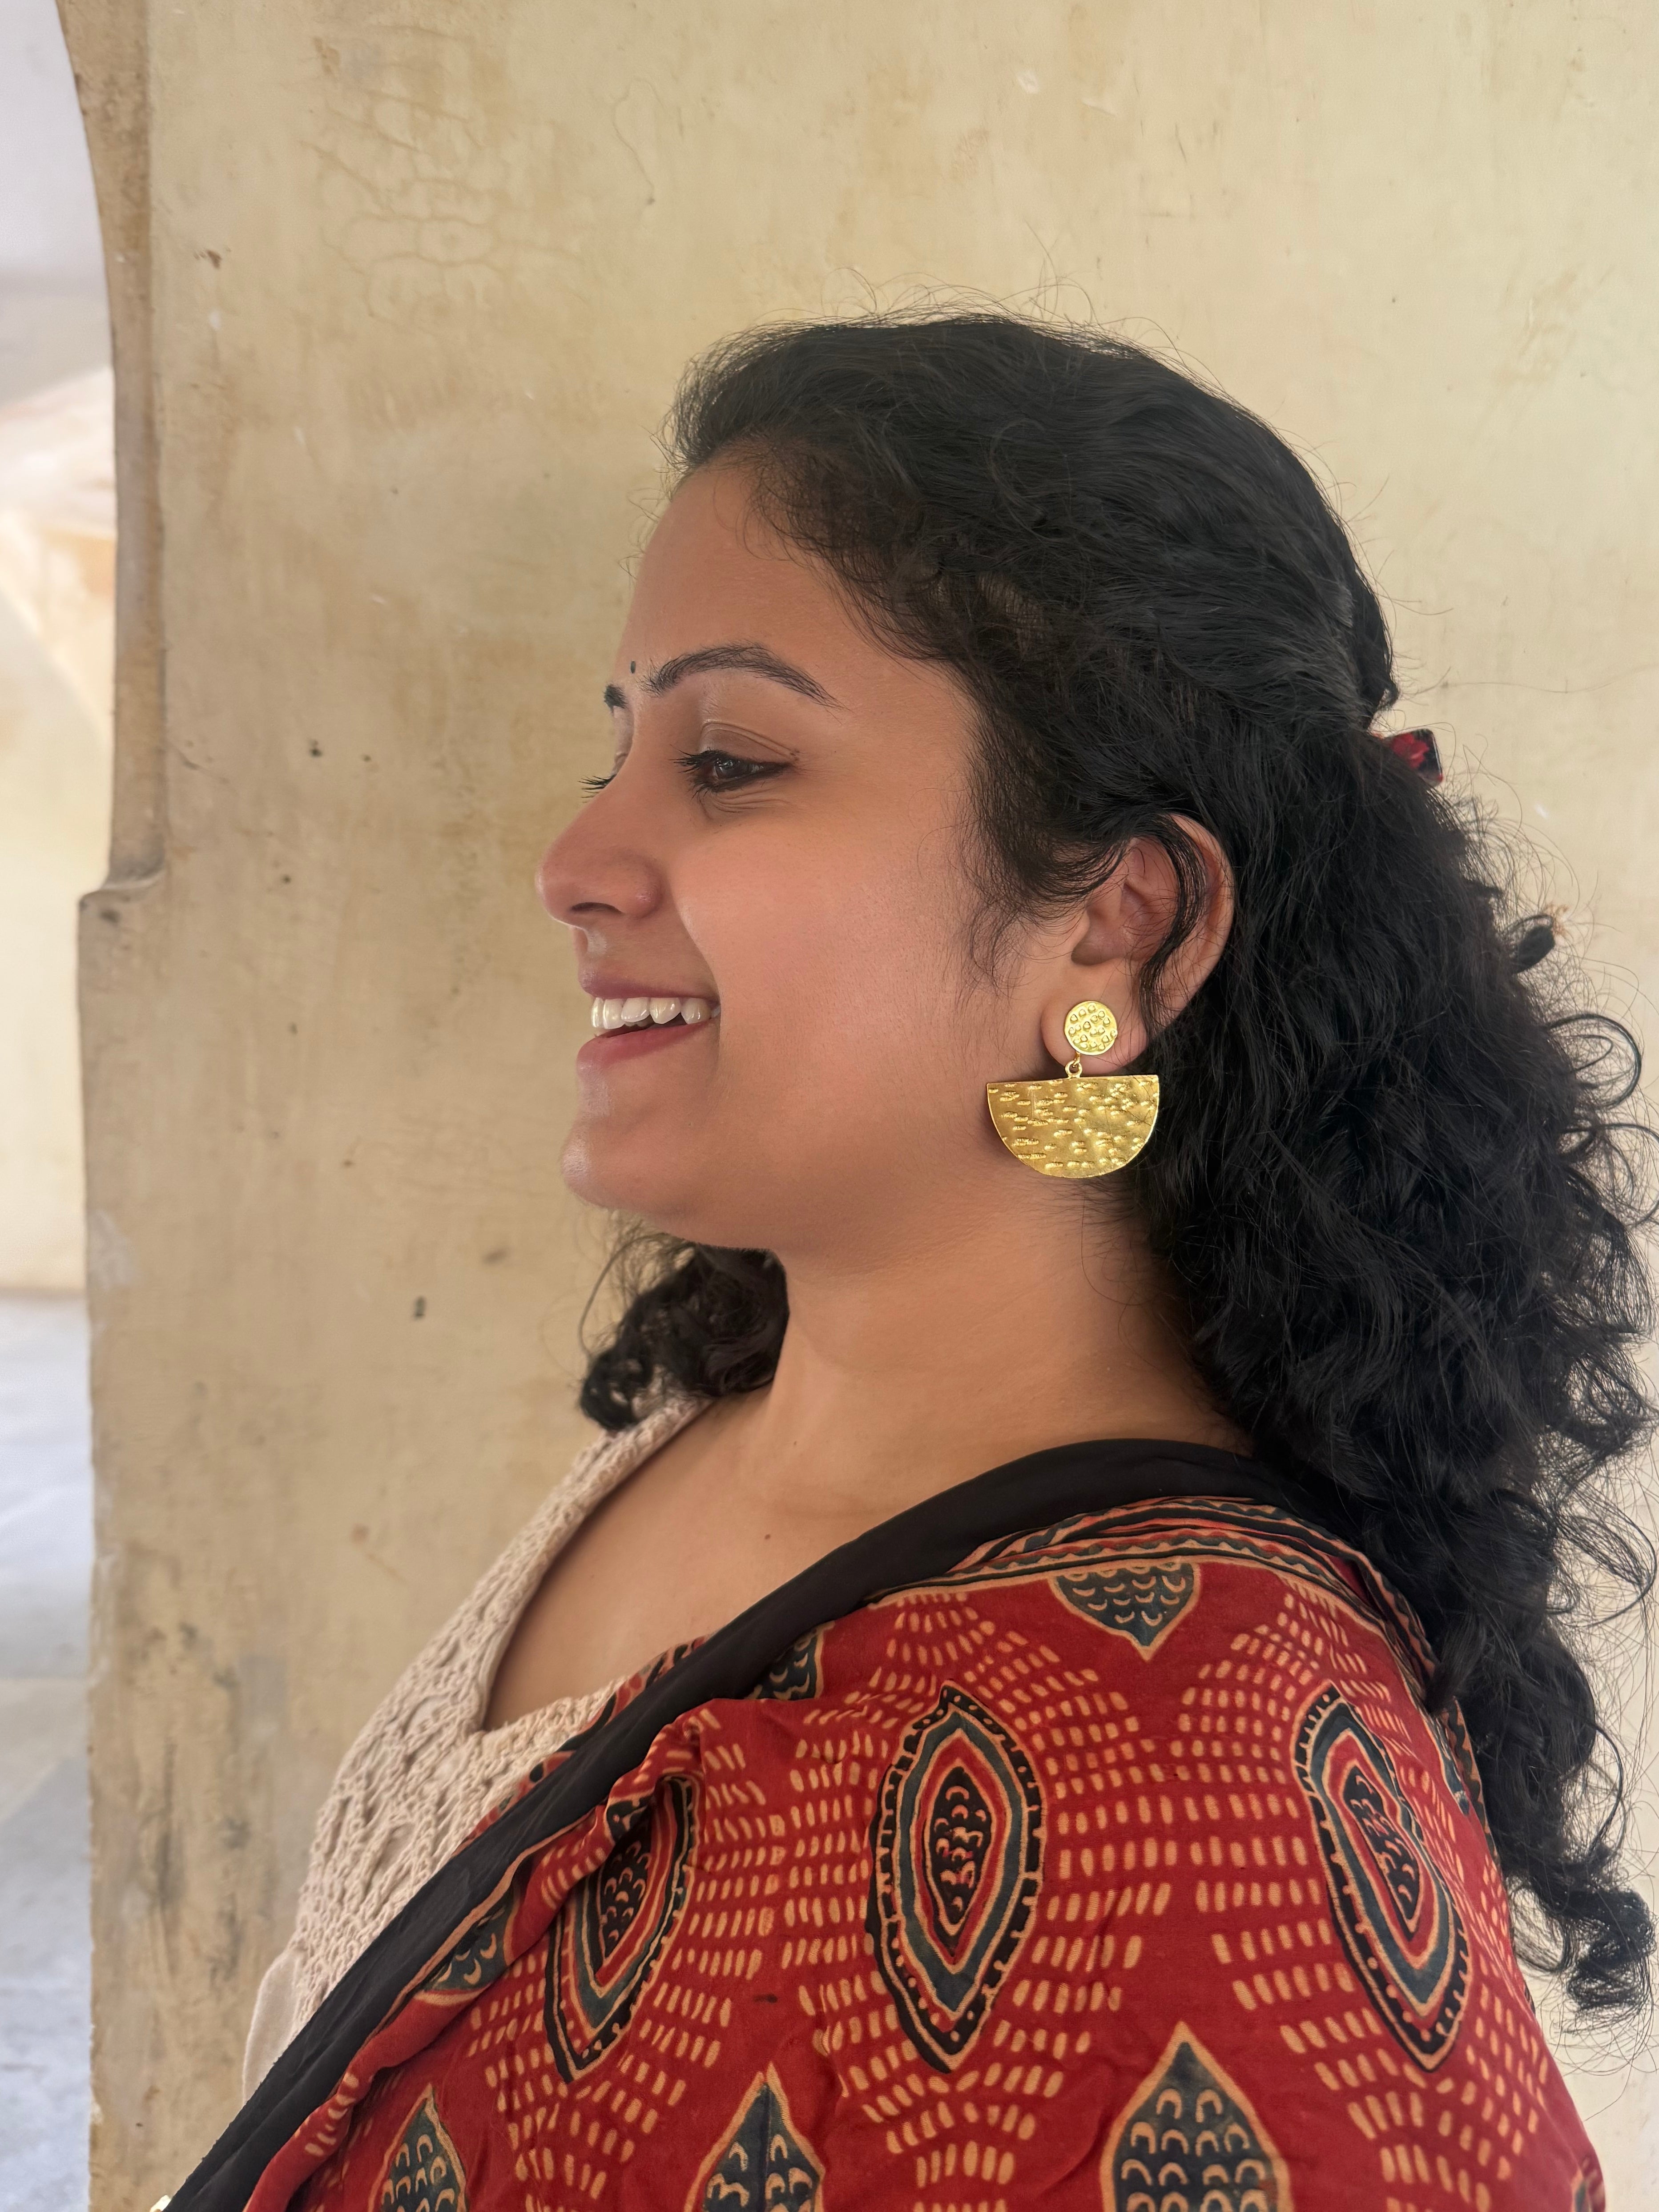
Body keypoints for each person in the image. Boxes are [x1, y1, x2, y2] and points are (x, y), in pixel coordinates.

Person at [176, 314, 1652, 2210]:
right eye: (617, 743)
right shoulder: (720, 1422)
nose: (573, 854)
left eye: (727, 757)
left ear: (1116, 921)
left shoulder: (1201, 1803)